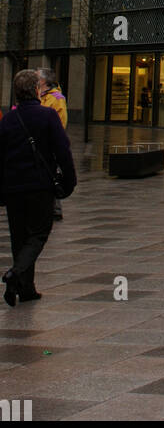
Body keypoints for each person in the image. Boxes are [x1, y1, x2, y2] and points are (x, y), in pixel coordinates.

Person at [0, 70, 77, 305]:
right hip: (40, 187)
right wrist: (68, 182)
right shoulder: (47, 116)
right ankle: (16, 273)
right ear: (36, 91)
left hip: (13, 188)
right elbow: (63, 151)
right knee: (38, 234)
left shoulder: (8, 120)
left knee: (19, 237)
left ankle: (26, 288)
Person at [37, 69, 68, 222]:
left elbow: (60, 123)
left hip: (48, 143)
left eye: (37, 76)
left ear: (44, 81)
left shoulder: (56, 98)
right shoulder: (38, 95)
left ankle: (55, 208)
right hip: (36, 142)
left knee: (50, 173)